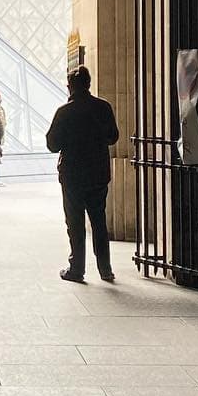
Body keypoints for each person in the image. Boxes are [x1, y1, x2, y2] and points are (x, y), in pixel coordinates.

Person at [45, 65, 120, 284]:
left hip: (72, 175)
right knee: (99, 221)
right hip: (98, 173)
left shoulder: (64, 112)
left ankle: (77, 268)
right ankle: (105, 269)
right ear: (89, 84)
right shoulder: (103, 107)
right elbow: (113, 136)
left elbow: (52, 144)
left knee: (75, 223)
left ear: (70, 87)